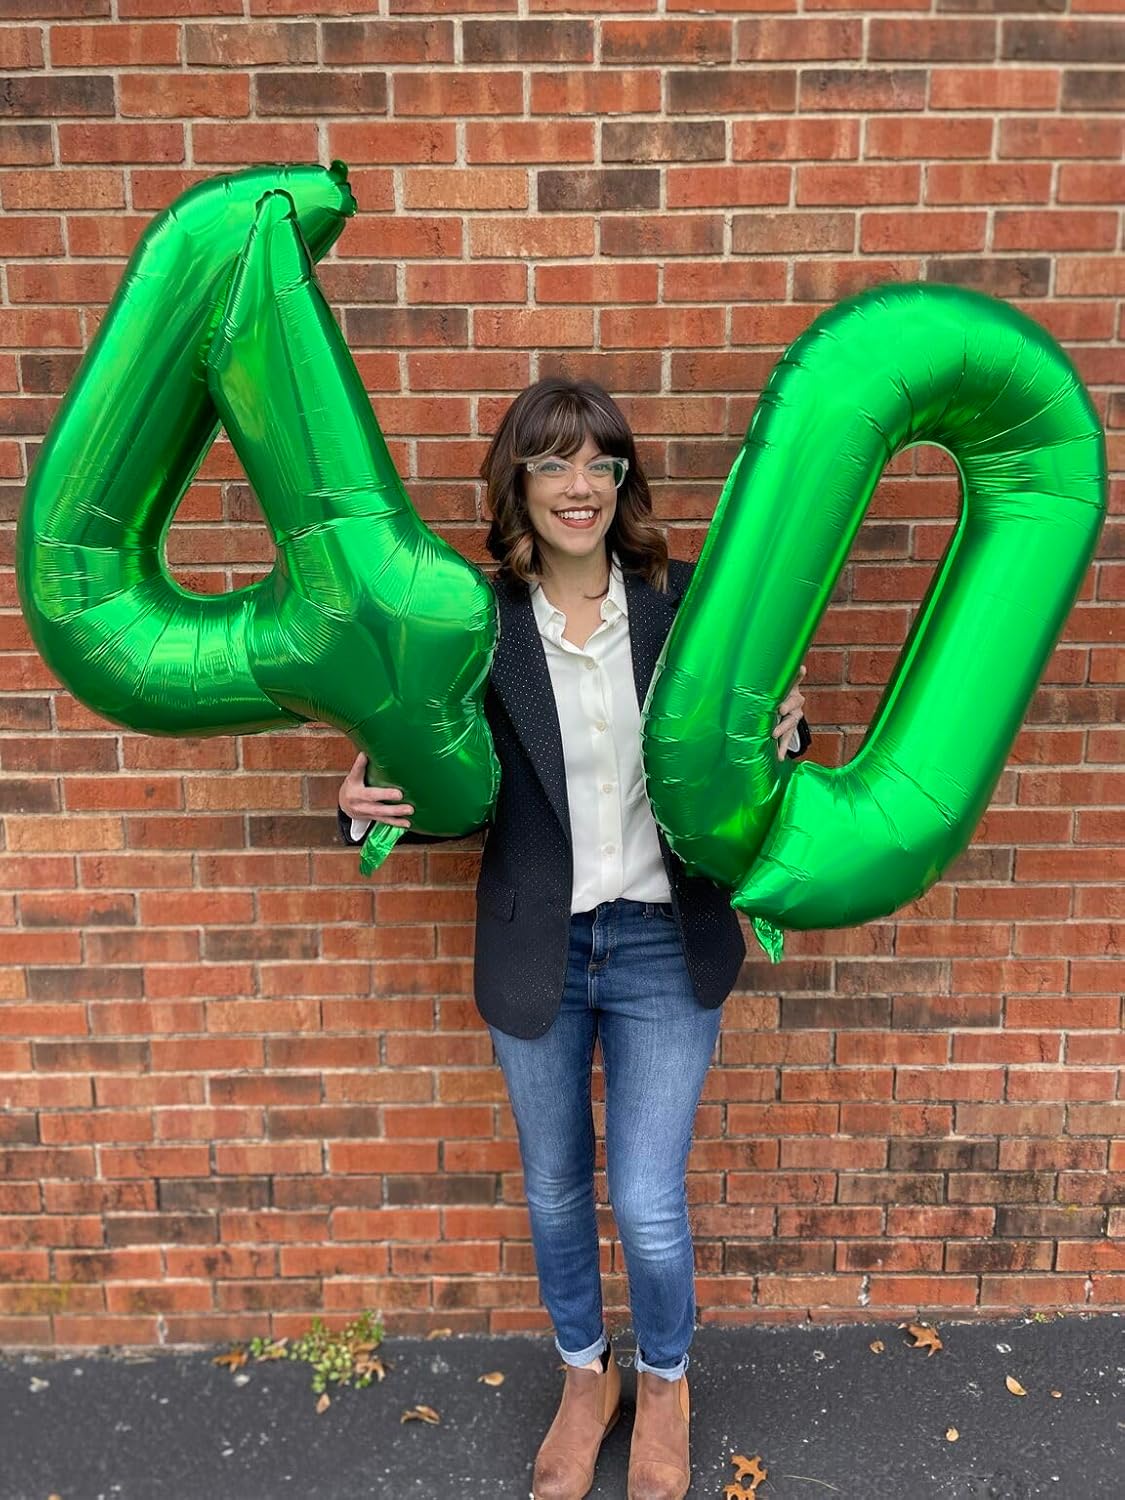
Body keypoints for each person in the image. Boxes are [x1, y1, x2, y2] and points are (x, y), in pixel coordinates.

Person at [337, 377, 810, 1500]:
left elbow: (744, 758)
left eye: (600, 462)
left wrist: (785, 733)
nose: (579, 486)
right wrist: (369, 807)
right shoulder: (477, 626)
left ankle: (667, 1385)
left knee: (644, 1198)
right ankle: (583, 1379)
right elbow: (450, 778)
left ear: (623, 481)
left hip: (661, 941)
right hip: (535, 942)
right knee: (554, 1189)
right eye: (553, 463)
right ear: (519, 484)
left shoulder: (685, 605)